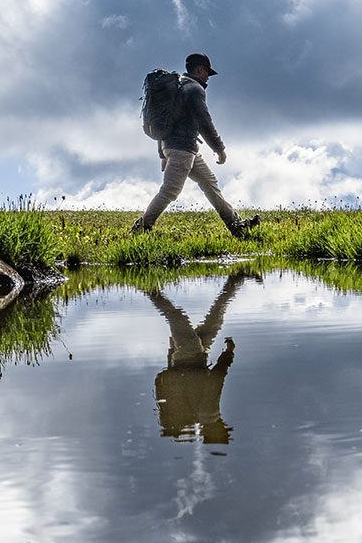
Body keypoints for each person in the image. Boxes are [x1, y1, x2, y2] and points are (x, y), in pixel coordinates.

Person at [134, 53, 261, 238]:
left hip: (182, 149)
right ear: (200, 69)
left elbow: (165, 122)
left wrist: (162, 153)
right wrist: (219, 149)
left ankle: (237, 226)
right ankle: (142, 228)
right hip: (182, 150)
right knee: (170, 190)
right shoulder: (194, 89)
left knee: (210, 184)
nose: (208, 77)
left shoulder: (178, 86)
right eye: (207, 72)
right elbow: (204, 122)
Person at [146, 270, 251, 444]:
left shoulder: (208, 415)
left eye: (223, 429)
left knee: (176, 316)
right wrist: (171, 354)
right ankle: (236, 279)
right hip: (195, 357)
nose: (224, 424)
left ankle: (149, 289)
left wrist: (228, 353)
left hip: (190, 355)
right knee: (216, 317)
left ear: (216, 431)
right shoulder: (196, 421)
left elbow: (218, 378)